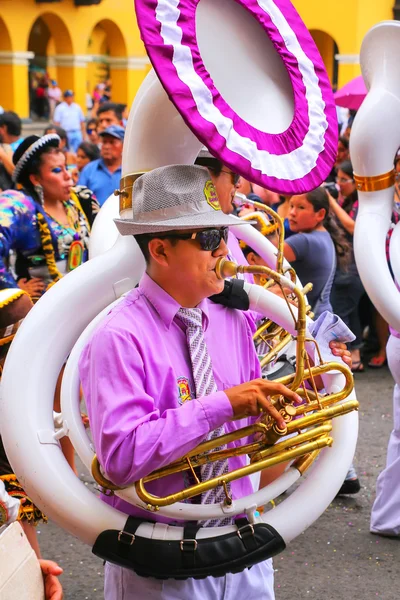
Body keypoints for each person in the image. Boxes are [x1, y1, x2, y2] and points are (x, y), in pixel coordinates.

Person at [80, 164, 304, 600]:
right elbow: (121, 458)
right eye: (207, 239)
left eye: (223, 235)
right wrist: (222, 405)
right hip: (160, 561)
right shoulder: (118, 335)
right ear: (160, 251)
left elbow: (252, 427)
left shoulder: (231, 319)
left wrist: (287, 419)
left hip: (243, 546)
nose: (225, 250)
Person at [0, 288, 63, 600]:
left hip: (12, 486)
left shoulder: (20, 376)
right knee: (20, 558)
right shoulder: (12, 379)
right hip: (8, 487)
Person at [0, 133, 98, 294]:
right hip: (44, 309)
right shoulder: (23, 207)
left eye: (66, 167)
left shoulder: (83, 198)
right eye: (57, 170)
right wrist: (13, 290)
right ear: (36, 179)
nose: (68, 176)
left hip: (87, 298)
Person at [282, 188, 350, 318]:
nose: (292, 213)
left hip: (308, 322)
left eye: (301, 207)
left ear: (320, 214)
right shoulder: (323, 235)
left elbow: (257, 258)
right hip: (319, 317)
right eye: (291, 206)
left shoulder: (303, 241)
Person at [328, 160, 366, 372]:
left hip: (355, 270)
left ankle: (347, 357)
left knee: (342, 310)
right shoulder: (347, 201)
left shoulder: (363, 203)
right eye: (338, 179)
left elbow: (353, 228)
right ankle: (356, 356)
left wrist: (332, 203)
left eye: (344, 179)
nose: (339, 184)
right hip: (348, 267)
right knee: (350, 312)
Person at [78, 124, 124, 206]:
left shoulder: (128, 170)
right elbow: (79, 199)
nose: (106, 146)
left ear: (124, 145)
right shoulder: (89, 170)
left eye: (112, 142)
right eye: (104, 142)